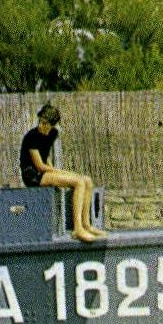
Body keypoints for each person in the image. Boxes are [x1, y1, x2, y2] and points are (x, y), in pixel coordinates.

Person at [19, 104, 100, 243]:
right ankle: (77, 229)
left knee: (87, 180)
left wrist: (59, 173)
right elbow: (40, 166)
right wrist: (62, 172)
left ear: (52, 125)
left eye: (45, 123)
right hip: (32, 175)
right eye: (40, 122)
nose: (41, 125)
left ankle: (86, 224)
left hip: (44, 171)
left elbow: (46, 156)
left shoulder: (52, 134)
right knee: (78, 182)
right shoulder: (31, 137)